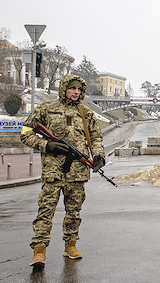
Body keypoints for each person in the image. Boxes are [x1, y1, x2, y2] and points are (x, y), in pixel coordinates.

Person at [20, 74, 106, 267]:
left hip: (77, 173)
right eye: (72, 88)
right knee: (45, 211)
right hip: (53, 172)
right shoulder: (45, 109)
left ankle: (70, 245)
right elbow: (25, 134)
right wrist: (47, 145)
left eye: (79, 89)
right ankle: (39, 250)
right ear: (64, 88)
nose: (76, 92)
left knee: (74, 212)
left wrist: (99, 155)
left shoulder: (86, 113)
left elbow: (96, 138)